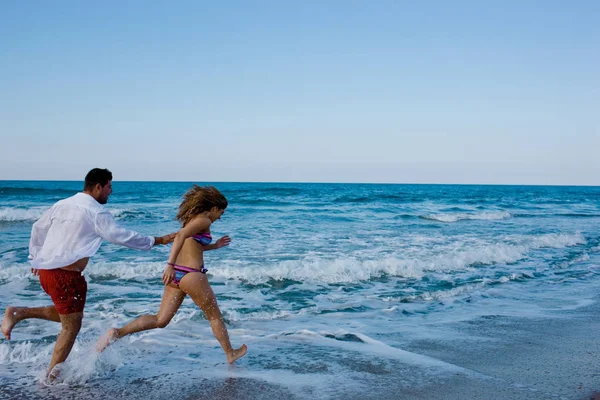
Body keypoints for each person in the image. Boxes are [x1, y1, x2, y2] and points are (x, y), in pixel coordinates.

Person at [0, 168, 176, 380]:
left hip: (50, 272)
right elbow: (119, 235)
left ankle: (19, 313)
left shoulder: (63, 204)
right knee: (70, 327)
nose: (111, 191)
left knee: (69, 317)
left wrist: (36, 256)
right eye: (109, 186)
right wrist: (158, 240)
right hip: (64, 276)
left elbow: (38, 228)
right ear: (98, 186)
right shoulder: (95, 211)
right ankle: (51, 378)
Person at [97, 185, 247, 364]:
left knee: (161, 320)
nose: (220, 217)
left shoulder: (192, 219)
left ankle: (117, 333)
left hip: (178, 274)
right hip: (191, 275)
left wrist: (214, 246)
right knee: (214, 316)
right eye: (221, 212)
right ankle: (230, 353)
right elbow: (180, 236)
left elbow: (192, 244)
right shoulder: (204, 220)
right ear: (214, 208)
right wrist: (169, 264)